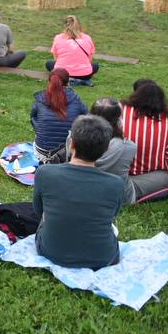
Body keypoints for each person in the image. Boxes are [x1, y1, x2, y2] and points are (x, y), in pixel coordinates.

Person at [33, 115, 126, 269]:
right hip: (103, 258)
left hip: (51, 252)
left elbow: (39, 211)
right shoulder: (116, 183)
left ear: (72, 143)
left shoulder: (45, 173)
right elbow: (112, 215)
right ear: (106, 149)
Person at [31, 68, 88, 161]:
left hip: (42, 153)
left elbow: (33, 118)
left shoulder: (40, 100)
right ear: (68, 82)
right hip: (68, 155)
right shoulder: (77, 100)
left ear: (49, 81)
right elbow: (89, 121)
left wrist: (40, 130)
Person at [46, 15, 97, 81]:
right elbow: (89, 60)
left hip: (63, 74)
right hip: (85, 75)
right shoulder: (87, 38)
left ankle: (70, 78)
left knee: (49, 64)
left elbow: (56, 59)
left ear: (65, 26)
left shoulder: (58, 38)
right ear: (79, 25)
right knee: (95, 65)